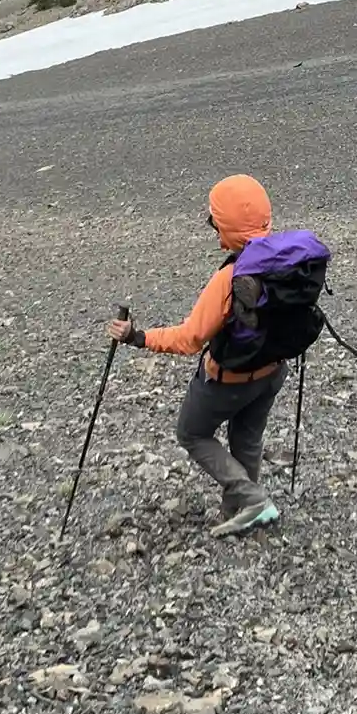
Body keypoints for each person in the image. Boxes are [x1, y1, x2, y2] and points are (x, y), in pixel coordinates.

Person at [108, 174, 285, 537]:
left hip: (229, 380)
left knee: (192, 432)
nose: (212, 228)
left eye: (214, 221)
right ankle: (238, 513)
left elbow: (190, 338)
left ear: (229, 226)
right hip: (272, 371)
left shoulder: (232, 276)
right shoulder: (287, 258)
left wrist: (137, 337)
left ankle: (252, 500)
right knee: (246, 439)